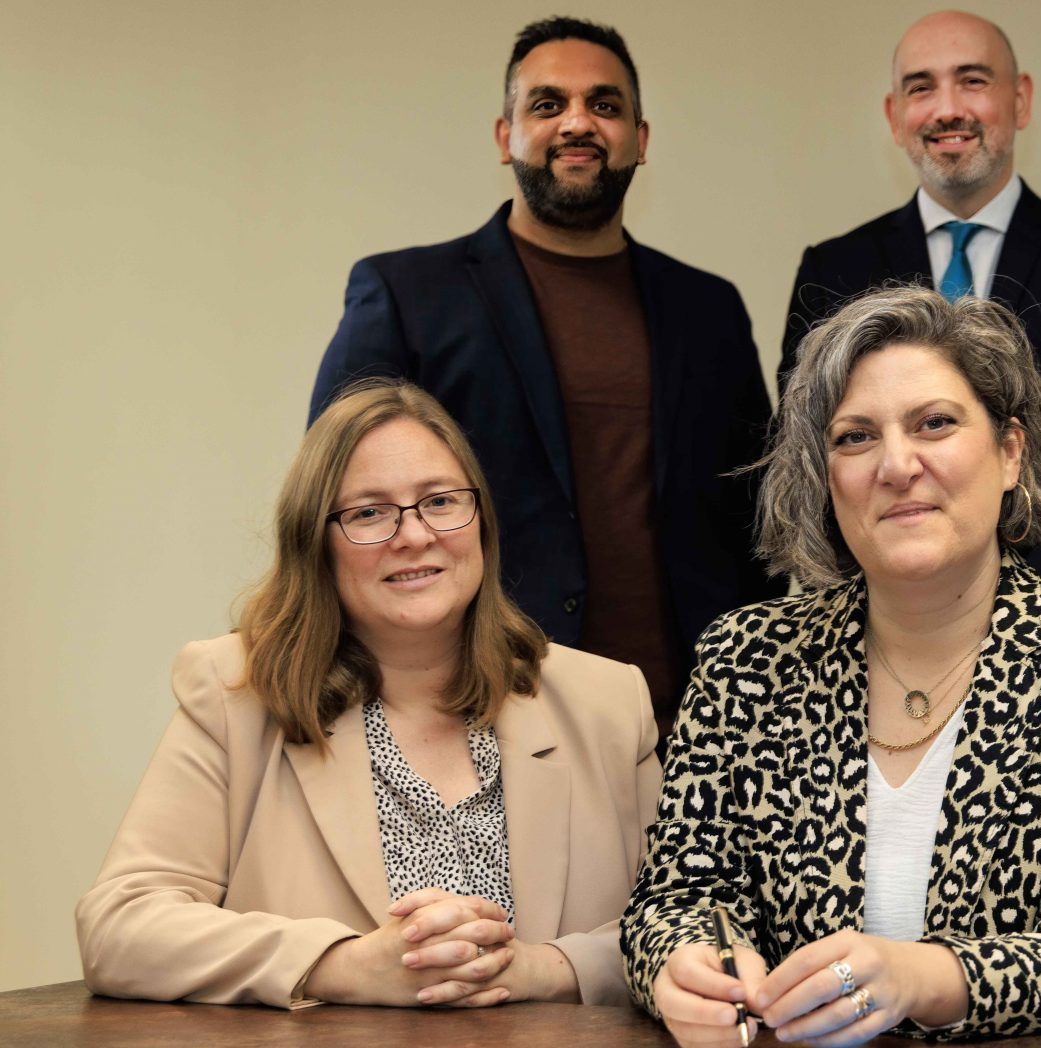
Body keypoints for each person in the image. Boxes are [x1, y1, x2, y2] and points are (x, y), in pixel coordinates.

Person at [624, 286, 1041, 1048]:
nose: (897, 465)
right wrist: (682, 967)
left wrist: (918, 978)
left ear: (1010, 452)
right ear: (826, 479)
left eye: (935, 423)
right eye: (856, 437)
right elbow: (678, 896)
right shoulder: (744, 661)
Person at [77, 382, 660, 1008]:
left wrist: (542, 970)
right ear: (315, 543)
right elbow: (120, 925)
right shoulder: (237, 694)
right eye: (369, 513)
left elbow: (709, 922)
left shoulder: (607, 702)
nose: (413, 535)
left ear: (481, 523)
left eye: (439, 501)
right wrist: (343, 964)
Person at [311, 16, 777, 725]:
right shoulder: (407, 295)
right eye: (547, 104)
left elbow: (759, 518)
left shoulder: (709, 309)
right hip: (482, 703)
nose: (578, 123)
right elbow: (342, 505)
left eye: (606, 105)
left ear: (640, 141)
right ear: (505, 138)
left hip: (695, 722)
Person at [781, 10, 1041, 604]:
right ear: (894, 115)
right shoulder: (832, 270)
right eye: (921, 87)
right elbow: (811, 465)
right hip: (878, 631)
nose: (947, 109)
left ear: (1020, 100)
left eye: (973, 81)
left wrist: (1008, 621)